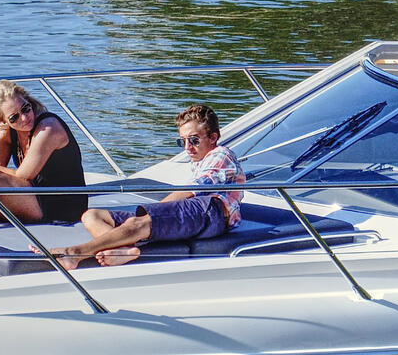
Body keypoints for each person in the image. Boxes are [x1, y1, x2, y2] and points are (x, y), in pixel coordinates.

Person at [40, 104, 245, 269]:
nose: (187, 148)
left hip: (212, 211)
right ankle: (127, 250)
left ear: (213, 137)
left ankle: (75, 253)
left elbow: (192, 190)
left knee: (137, 224)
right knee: (92, 215)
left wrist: (153, 212)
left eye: (193, 140)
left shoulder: (220, 155)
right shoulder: (202, 159)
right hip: (199, 209)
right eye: (181, 141)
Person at [0, 80, 86, 223]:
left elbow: (23, 176)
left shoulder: (48, 128)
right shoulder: (6, 131)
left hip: (62, 206)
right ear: (2, 120)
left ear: (29, 101)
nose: (24, 117)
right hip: (34, 199)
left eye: (25, 108)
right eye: (14, 117)